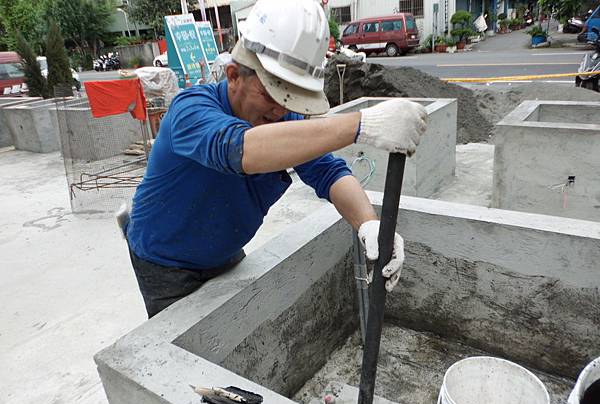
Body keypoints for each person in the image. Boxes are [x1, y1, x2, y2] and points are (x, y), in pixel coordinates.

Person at [124, 0, 428, 318]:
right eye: (271, 94)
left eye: (291, 98)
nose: (280, 110)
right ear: (233, 76)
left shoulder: (283, 118)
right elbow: (239, 149)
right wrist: (361, 125)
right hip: (165, 263)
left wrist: (368, 225)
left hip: (222, 251)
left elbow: (329, 172)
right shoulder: (190, 111)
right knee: (183, 354)